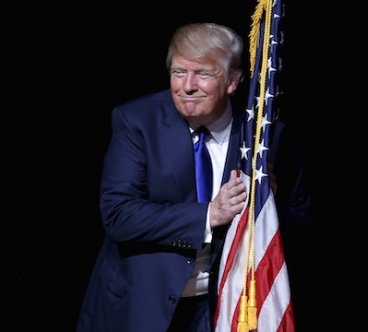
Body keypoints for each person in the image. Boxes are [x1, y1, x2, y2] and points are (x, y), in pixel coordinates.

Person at [76, 22, 314, 332]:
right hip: (139, 307)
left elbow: (306, 224)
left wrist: (264, 209)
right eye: (178, 72)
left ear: (232, 80)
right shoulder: (136, 122)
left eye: (202, 74)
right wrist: (211, 214)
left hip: (221, 309)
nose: (187, 86)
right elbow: (118, 215)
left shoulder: (265, 137)